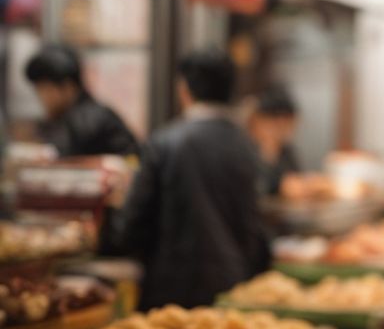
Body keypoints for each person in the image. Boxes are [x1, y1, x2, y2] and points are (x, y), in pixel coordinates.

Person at [112, 49, 270, 309]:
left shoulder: (165, 142)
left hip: (171, 294)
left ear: (184, 88)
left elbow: (131, 225)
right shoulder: (247, 145)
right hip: (233, 290)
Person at [23, 43, 139, 158]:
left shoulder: (88, 120)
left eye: (46, 90)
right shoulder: (66, 117)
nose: (41, 97)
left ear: (68, 87)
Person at [245, 84, 301, 196]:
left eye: (287, 122)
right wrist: (280, 186)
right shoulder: (243, 149)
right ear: (255, 120)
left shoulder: (286, 151)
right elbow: (253, 186)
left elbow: (296, 179)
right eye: (274, 122)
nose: (281, 128)